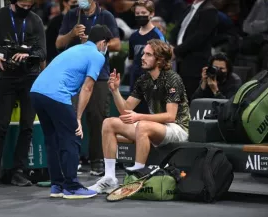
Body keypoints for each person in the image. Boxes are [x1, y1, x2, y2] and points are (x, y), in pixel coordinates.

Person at [88, 39, 190, 194]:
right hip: (155, 128)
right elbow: (126, 110)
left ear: (160, 60)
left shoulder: (172, 78)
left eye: (148, 54)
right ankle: (109, 179)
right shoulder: (144, 80)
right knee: (109, 123)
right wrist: (115, 91)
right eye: (143, 53)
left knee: (142, 125)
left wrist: (139, 117)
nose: (143, 57)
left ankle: (138, 175)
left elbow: (170, 116)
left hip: (178, 128)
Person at [30, 25, 112, 199]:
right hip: (55, 94)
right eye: (107, 45)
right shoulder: (97, 55)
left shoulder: (77, 48)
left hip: (36, 92)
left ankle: (57, 186)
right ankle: (72, 186)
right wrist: (78, 118)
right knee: (73, 136)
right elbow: (88, 88)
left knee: (52, 140)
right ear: (103, 43)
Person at [0, 0, 46, 187]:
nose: (26, 8)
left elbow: (43, 52)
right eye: (23, 4)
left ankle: (19, 171)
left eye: (30, 5)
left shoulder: (35, 20)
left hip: (30, 77)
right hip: (6, 76)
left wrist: (30, 55)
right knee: (1, 126)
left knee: (27, 126)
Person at [56, 0, 121, 176]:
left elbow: (117, 44)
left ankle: (97, 160)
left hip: (99, 74)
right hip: (75, 74)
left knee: (97, 117)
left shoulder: (105, 16)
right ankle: (72, 158)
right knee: (70, 115)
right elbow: (59, 43)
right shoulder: (71, 15)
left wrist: (93, 42)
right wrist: (72, 34)